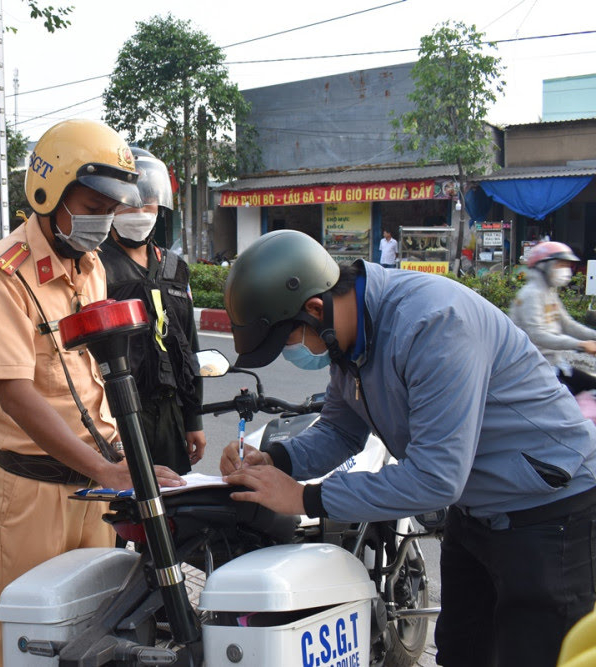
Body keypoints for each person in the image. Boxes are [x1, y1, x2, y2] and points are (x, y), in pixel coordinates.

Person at [219, 229, 596, 667]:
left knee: (536, 655)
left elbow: (435, 478)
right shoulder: (348, 345)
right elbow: (341, 431)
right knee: (461, 652)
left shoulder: (434, 324)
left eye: (289, 340)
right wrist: (276, 460)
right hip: (476, 512)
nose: (293, 352)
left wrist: (306, 498)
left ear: (315, 308)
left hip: (549, 510)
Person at [0, 119, 184, 663]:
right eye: (93, 204)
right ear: (50, 192)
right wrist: (108, 470)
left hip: (96, 486)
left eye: (112, 208)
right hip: (34, 493)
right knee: (31, 642)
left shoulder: (90, 265)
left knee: (97, 632)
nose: (104, 220)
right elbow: (15, 393)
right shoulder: (4, 274)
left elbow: (99, 372)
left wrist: (122, 463)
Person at [99, 148, 205, 474]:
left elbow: (189, 348)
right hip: (121, 412)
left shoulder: (175, 268)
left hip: (170, 413)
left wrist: (193, 418)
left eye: (147, 202)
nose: (139, 211)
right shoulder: (94, 267)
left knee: (177, 507)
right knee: (127, 511)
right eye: (128, 203)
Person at [508, 241, 596, 394]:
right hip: (532, 369)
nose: (566, 270)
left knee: (590, 385)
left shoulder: (549, 292)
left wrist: (593, 337)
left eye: (566, 265)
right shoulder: (531, 294)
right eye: (560, 265)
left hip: (553, 363)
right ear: (544, 266)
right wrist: (581, 345)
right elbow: (537, 335)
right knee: (569, 403)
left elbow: (567, 324)